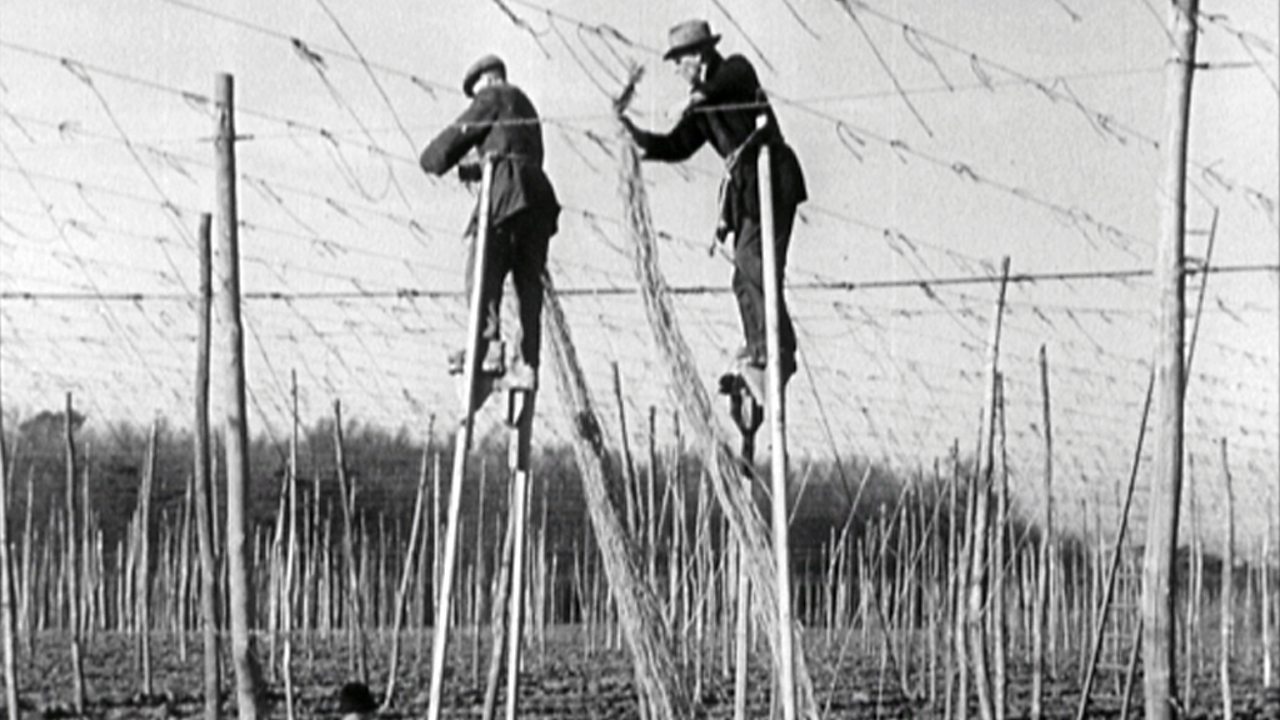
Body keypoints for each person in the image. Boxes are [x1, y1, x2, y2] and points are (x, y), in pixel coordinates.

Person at [618, 20, 807, 385]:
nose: (676, 69)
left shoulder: (735, 70)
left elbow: (722, 86)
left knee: (751, 262)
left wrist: (692, 100)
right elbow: (677, 144)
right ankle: (759, 347)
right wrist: (638, 141)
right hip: (749, 192)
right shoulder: (702, 109)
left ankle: (778, 347)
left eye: (679, 60)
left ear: (700, 55)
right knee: (741, 277)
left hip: (774, 179)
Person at [421, 53, 560, 389]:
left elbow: (454, 140)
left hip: (505, 195)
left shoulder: (494, 96)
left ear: (486, 80)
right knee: (529, 286)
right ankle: (527, 361)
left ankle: (486, 349)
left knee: (482, 272)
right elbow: (511, 149)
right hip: (537, 199)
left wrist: (433, 159)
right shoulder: (526, 106)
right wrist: (473, 168)